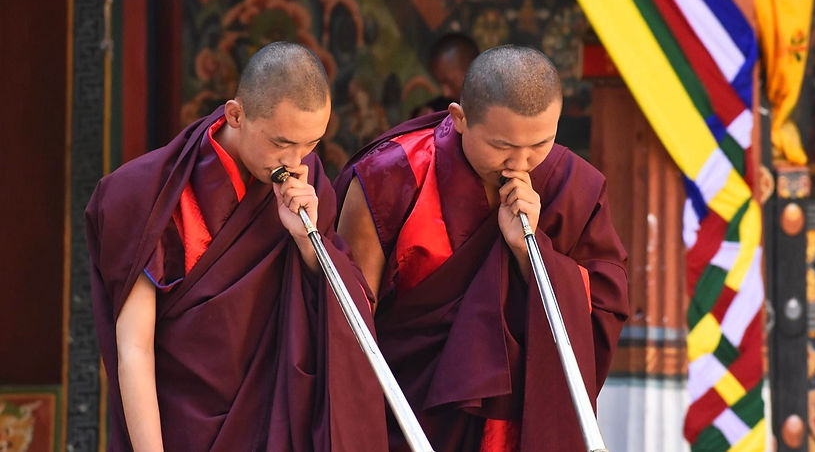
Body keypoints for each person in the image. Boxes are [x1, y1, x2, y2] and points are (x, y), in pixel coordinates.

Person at [86, 42, 387, 451]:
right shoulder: (148, 195)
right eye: (282, 143)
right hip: (177, 429)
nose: (296, 161)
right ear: (236, 114)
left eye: (311, 144)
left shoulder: (308, 185)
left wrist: (308, 243)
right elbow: (135, 347)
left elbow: (342, 315)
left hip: (273, 427)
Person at [335, 45, 629, 451]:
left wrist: (530, 253)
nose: (521, 164)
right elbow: (348, 317)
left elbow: (605, 302)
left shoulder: (572, 184)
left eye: (539, 145)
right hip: (402, 417)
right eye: (502, 146)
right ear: (459, 118)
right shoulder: (392, 176)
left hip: (513, 426)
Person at [412, 32, 480, 116]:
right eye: (440, 84)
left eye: (450, 83)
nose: (446, 93)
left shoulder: (497, 103)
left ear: (471, 70)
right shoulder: (437, 112)